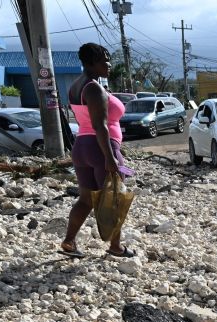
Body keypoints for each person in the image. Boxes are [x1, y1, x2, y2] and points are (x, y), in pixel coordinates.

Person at [61, 42, 134, 259]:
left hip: (81, 147)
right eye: (105, 60)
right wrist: (110, 158)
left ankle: (69, 240)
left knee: (85, 199)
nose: (109, 64)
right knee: (114, 198)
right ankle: (116, 247)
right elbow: (100, 125)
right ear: (92, 62)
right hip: (101, 147)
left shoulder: (75, 86)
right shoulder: (94, 88)